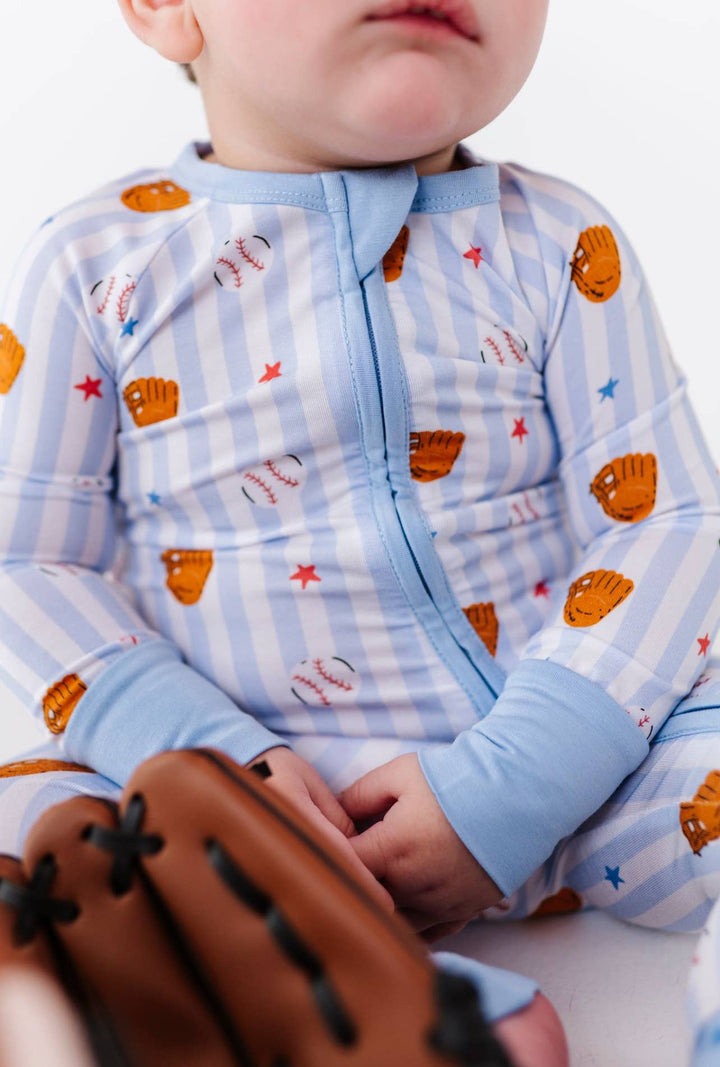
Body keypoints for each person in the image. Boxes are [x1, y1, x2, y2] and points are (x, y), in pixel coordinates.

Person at [1, 0, 719, 1062]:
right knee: (50, 823)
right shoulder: (96, 262)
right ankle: (377, 1006)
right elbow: (28, 558)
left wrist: (522, 775)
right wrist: (218, 763)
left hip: (581, 772)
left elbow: (671, 516)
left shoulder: (560, 240)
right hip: (225, 802)